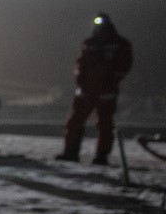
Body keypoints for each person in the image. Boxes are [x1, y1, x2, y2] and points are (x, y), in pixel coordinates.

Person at [57, 13, 133, 165]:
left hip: (106, 92)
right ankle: (70, 152)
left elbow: (124, 66)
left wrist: (111, 83)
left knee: (105, 124)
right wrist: (81, 83)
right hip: (86, 91)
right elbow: (80, 65)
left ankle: (101, 155)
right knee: (75, 122)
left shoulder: (120, 44)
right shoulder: (89, 43)